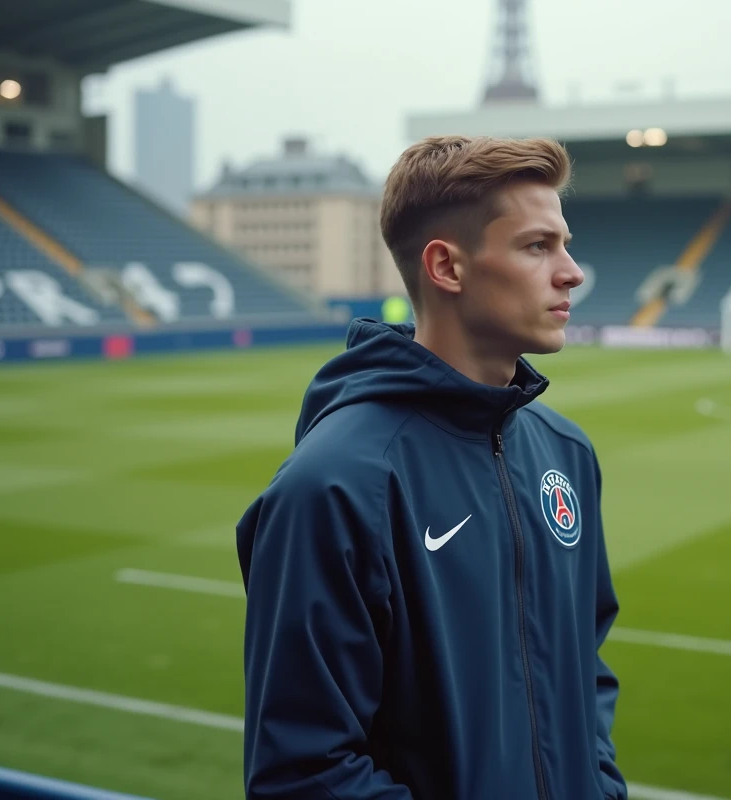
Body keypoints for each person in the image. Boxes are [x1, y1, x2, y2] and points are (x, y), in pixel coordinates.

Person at [235, 135, 627, 800]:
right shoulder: (333, 488)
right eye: (538, 246)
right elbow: (304, 773)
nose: (572, 272)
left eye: (564, 243)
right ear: (447, 267)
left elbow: (584, 673)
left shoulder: (567, 454)